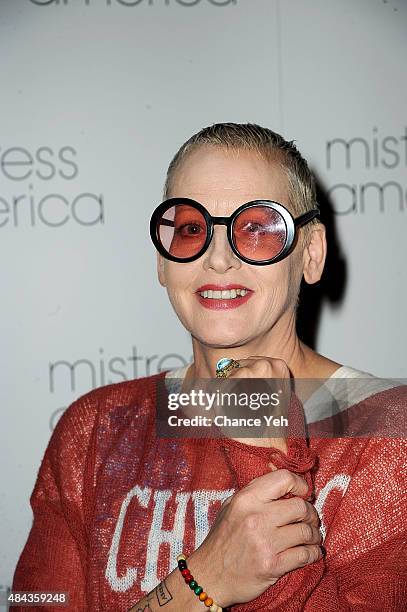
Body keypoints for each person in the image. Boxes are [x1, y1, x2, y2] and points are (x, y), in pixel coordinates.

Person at [13, 123, 407, 611]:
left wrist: (263, 457)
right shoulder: (95, 426)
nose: (218, 259)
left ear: (311, 253)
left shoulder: (392, 435)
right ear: (162, 260)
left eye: (258, 229)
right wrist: (205, 579)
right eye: (192, 229)